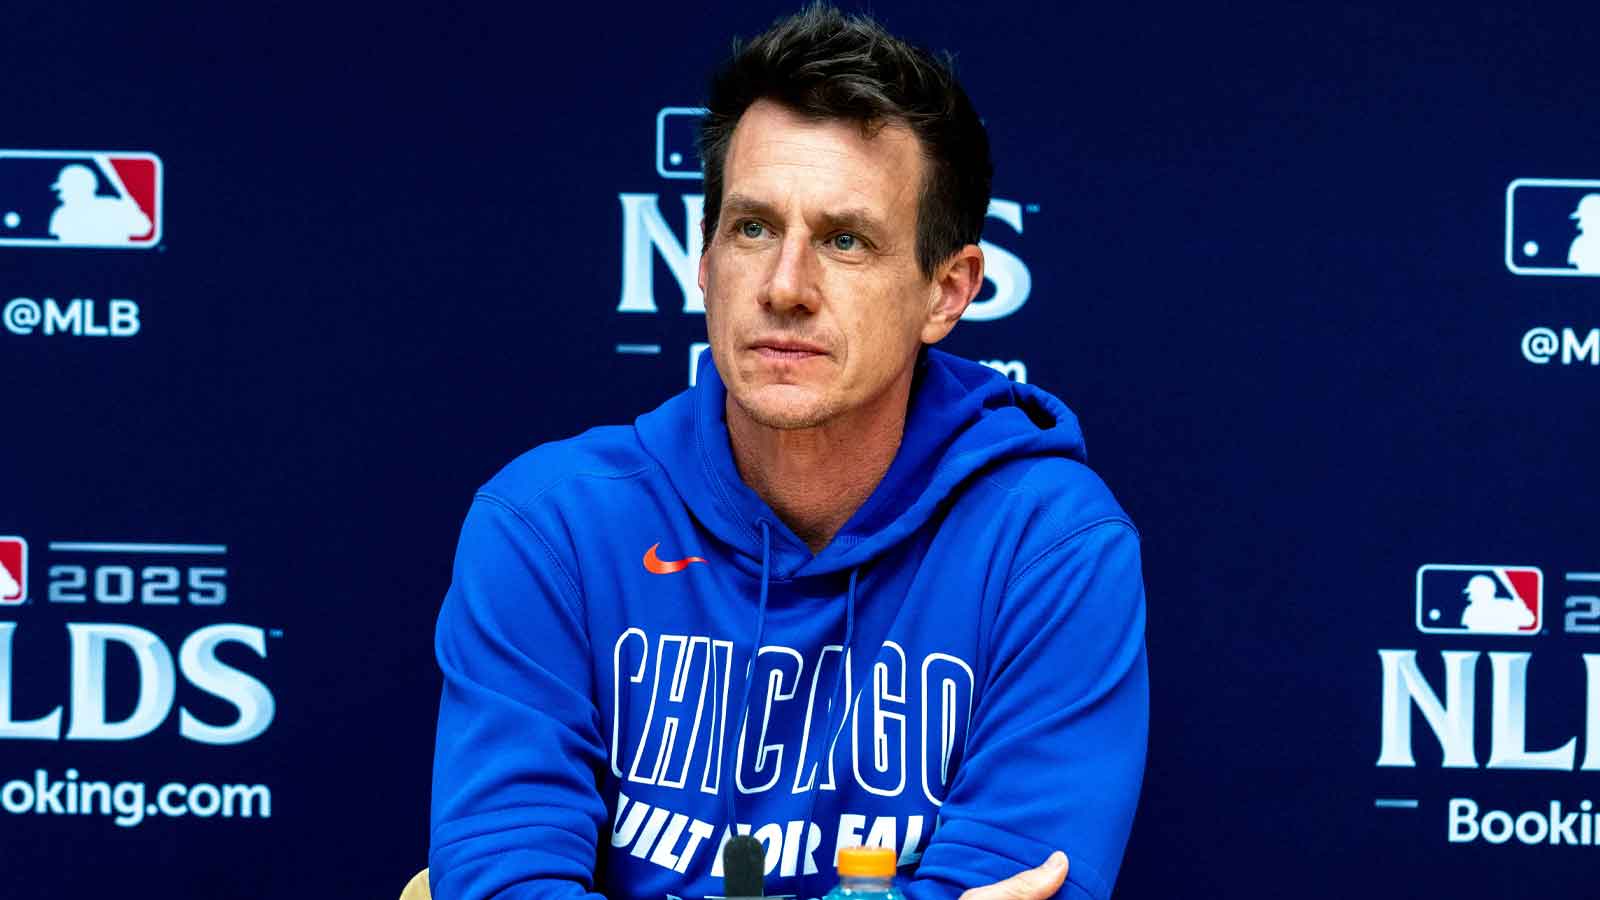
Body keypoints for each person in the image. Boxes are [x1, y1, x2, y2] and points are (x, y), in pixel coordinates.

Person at [429, 7, 1147, 900]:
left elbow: (1023, 884)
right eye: (753, 228)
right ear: (701, 257)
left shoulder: (1050, 548)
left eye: (846, 241)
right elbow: (503, 879)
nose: (784, 287)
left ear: (947, 291)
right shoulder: (549, 527)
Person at [47, 163, 151, 245]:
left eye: (65, 189)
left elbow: (143, 229)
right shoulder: (62, 213)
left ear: (78, 188)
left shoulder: (113, 207)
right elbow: (59, 246)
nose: (61, 195)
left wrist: (132, 211)